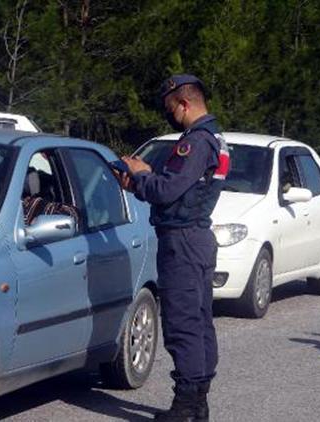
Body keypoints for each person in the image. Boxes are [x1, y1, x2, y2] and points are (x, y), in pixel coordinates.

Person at [117, 75, 229, 421]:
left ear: (184, 103)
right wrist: (146, 178)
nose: (170, 116)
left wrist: (138, 176)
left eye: (171, 109)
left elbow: (167, 191)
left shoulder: (195, 142)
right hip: (194, 238)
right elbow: (177, 187)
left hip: (183, 240)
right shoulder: (215, 139)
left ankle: (186, 406)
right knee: (198, 321)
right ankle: (197, 404)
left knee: (184, 324)